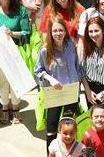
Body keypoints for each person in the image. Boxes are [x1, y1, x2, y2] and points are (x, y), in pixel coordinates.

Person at [35, 17, 81, 147]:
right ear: (50, 32)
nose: (58, 33)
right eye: (55, 31)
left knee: (68, 128)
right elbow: (38, 70)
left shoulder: (71, 45)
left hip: (71, 91)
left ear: (65, 31)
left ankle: (67, 154)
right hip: (55, 92)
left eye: (61, 30)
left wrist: (79, 85)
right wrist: (50, 79)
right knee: (52, 128)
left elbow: (77, 66)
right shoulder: (45, 50)